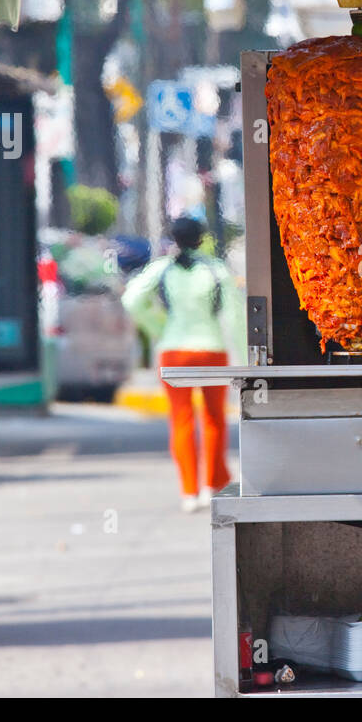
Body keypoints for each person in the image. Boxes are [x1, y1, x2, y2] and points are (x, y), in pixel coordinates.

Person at [122, 217, 241, 512]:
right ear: (202, 239)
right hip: (211, 349)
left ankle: (189, 491)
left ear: (173, 239)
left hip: (174, 350)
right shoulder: (215, 269)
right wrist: (248, 356)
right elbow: (236, 315)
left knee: (181, 420)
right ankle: (212, 484)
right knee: (214, 419)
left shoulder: (161, 268)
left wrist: (159, 327)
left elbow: (132, 299)